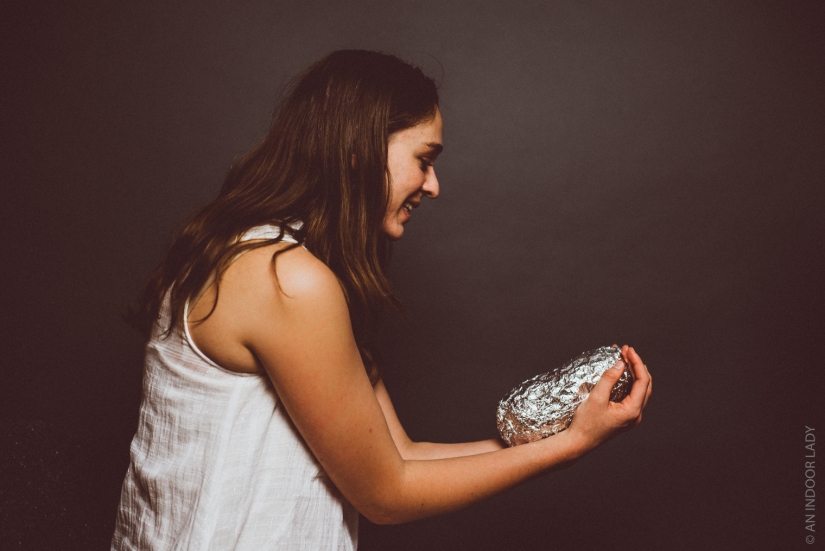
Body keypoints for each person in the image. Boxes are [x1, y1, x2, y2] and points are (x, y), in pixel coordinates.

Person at [112, 49, 652, 550]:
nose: (433, 185)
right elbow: (386, 495)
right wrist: (571, 447)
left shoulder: (250, 254)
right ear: (358, 150)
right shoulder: (285, 278)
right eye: (424, 158)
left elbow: (402, 457)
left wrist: (567, 431)